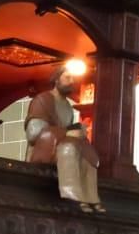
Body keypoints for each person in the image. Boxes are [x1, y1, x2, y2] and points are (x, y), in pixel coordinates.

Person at [26, 65, 104, 214]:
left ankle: (92, 198)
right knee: (69, 148)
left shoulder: (68, 106)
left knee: (86, 151)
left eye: (72, 78)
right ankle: (74, 196)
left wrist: (78, 132)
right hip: (46, 149)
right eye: (67, 77)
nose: (71, 81)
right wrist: (67, 133)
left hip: (62, 143)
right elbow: (34, 132)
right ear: (56, 79)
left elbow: (69, 132)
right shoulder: (42, 100)